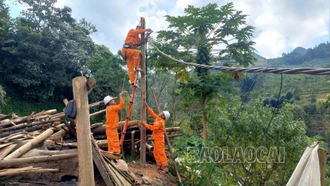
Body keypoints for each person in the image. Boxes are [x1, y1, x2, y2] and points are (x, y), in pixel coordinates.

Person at [141, 102, 170, 173]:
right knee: (156, 152)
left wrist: (145, 124)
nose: (160, 113)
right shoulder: (158, 118)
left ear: (163, 116)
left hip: (159, 139)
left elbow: (153, 128)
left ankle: (165, 167)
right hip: (156, 139)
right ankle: (160, 165)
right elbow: (152, 113)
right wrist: (147, 107)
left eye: (162, 113)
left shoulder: (160, 122)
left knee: (161, 152)